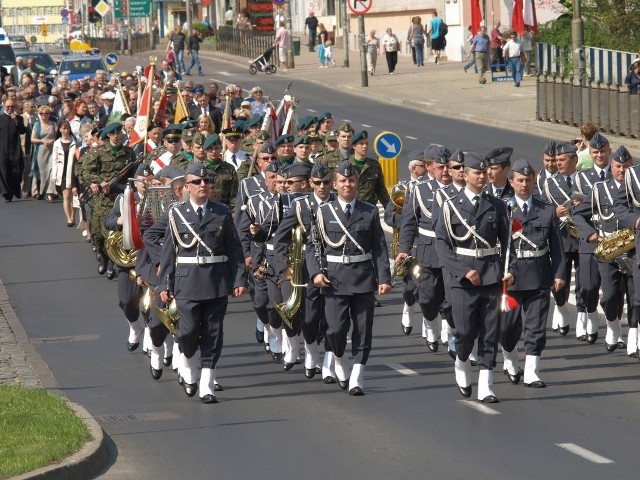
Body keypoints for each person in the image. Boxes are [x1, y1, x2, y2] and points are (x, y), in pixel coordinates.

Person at [146, 161, 247, 403]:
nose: (203, 185)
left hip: (216, 281)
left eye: (207, 182)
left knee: (213, 332)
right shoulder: (176, 214)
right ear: (186, 187)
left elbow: (234, 249)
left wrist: (239, 278)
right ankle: (189, 366)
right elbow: (169, 251)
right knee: (188, 331)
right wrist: (163, 284)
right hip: (187, 281)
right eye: (197, 182)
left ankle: (207, 383)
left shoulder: (221, 212)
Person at [435, 152, 514, 403]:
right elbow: (442, 244)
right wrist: (462, 270)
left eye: (485, 172)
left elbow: (508, 242)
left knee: (491, 331)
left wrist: (509, 269)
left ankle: (486, 384)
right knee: (466, 331)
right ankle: (461, 361)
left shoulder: (497, 205)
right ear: (465, 175)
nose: (483, 176)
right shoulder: (450, 205)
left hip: (491, 274)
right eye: (477, 173)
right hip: (462, 278)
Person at [309, 160, 392, 395]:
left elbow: (379, 248)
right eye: (343, 181)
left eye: (352, 180)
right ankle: (339, 359)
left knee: (363, 330)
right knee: (335, 330)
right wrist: (316, 272)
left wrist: (384, 278)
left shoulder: (370, 211)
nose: (348, 184)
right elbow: (313, 246)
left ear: (357, 183)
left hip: (363, 277)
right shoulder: (323, 211)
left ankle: (357, 374)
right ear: (335, 185)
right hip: (334, 279)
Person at [500, 159, 565, 388]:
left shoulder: (546, 210)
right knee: (508, 327)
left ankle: (532, 372)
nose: (524, 184)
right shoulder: (502, 209)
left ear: (534, 181)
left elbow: (556, 247)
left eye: (528, 180)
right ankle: (509, 358)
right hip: (511, 277)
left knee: (536, 326)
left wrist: (559, 273)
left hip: (538, 274)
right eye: (520, 180)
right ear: (511, 182)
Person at [574, 146, 632, 354]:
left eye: (626, 166)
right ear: (612, 167)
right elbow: (577, 214)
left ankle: (632, 335)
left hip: (633, 250)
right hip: (608, 249)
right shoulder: (600, 189)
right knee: (609, 295)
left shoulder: (637, 188)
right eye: (618, 166)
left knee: (631, 294)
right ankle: (612, 325)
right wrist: (589, 233)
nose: (622, 170)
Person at [0, 97, 27, 202]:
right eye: (8, 106)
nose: (10, 108)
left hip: (15, 149)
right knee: (4, 172)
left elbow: (23, 131)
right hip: (2, 150)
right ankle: (7, 194)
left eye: (12, 106)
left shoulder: (19, 118)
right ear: (4, 107)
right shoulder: (1, 118)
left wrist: (16, 121)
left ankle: (14, 190)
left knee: (18, 170)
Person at [51, 120, 78, 226]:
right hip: (62, 173)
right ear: (60, 129)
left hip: (73, 171)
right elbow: (54, 160)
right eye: (64, 128)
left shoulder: (74, 141)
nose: (66, 131)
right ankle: (68, 218)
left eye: (67, 128)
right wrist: (54, 175)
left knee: (74, 197)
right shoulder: (57, 143)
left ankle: (73, 216)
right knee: (66, 197)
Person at [31, 105, 58, 202]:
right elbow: (32, 139)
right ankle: (42, 191)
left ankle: (50, 193)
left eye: (46, 113)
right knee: (43, 173)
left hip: (52, 150)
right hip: (41, 151)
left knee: (51, 171)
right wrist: (42, 141)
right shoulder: (37, 125)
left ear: (49, 114)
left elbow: (57, 137)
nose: (43, 115)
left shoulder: (53, 124)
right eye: (41, 113)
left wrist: (52, 141)